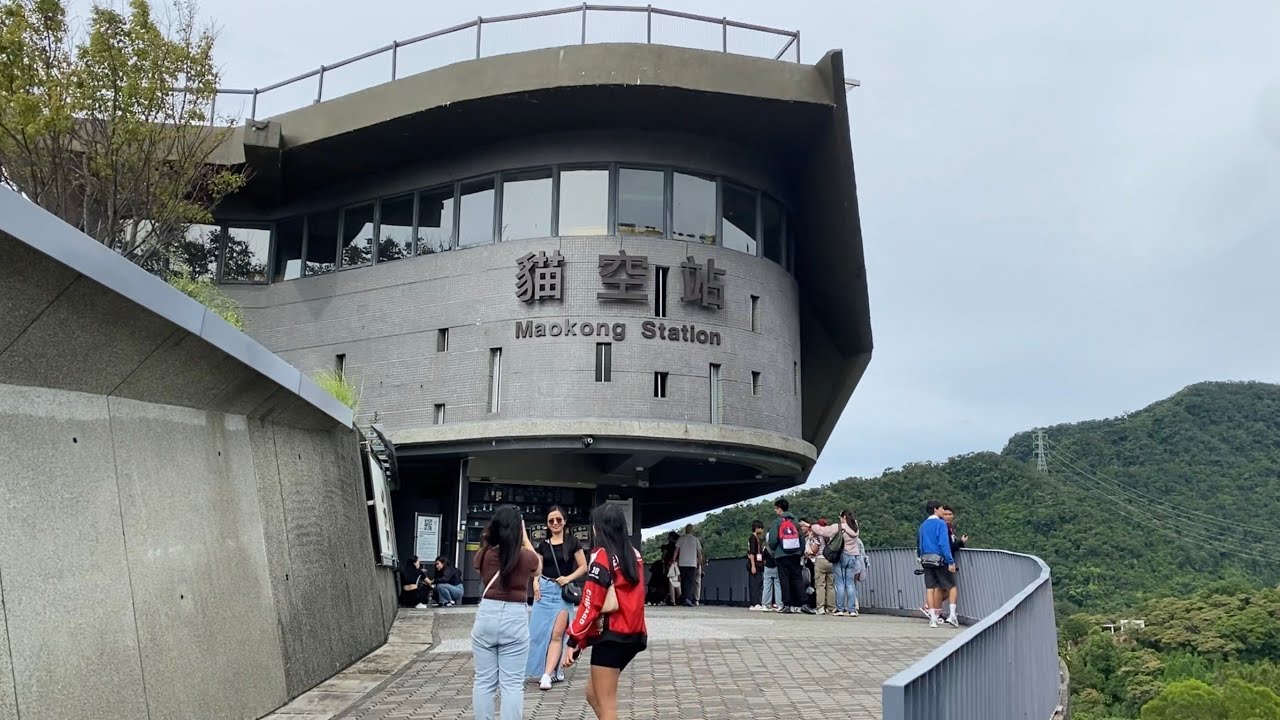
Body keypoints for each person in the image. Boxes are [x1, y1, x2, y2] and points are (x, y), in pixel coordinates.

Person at [563, 503, 648, 720]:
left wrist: (574, 640)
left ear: (599, 528)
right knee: (592, 693)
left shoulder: (601, 555)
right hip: (634, 634)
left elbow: (591, 602)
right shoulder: (634, 554)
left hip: (611, 637)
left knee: (607, 705)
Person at [471, 504, 541, 720]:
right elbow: (538, 568)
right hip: (514, 618)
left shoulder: (483, 555)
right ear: (518, 528)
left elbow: (478, 569)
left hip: (487, 616)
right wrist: (525, 537)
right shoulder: (525, 556)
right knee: (512, 684)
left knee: (483, 681)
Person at [529, 506, 588, 690]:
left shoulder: (573, 542)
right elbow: (537, 567)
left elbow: (583, 566)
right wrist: (535, 582)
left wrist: (568, 578)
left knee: (557, 634)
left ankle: (547, 675)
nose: (555, 523)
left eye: (558, 520)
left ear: (564, 521)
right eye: (551, 521)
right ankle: (549, 669)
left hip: (562, 592)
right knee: (538, 633)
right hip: (544, 590)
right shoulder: (543, 545)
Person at [807, 511, 861, 616]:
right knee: (850, 584)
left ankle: (840, 609)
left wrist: (811, 526)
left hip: (841, 555)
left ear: (844, 517)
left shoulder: (839, 527)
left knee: (840, 583)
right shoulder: (855, 528)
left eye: (840, 517)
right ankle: (852, 610)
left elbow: (823, 531)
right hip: (853, 556)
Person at [917, 500, 956, 629]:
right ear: (935, 509)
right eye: (941, 509)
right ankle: (952, 615)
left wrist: (920, 556)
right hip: (939, 559)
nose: (943, 511)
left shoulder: (923, 525)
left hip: (926, 559)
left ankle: (933, 618)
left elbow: (919, 543)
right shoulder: (940, 524)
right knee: (951, 586)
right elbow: (944, 544)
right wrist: (950, 561)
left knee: (930, 588)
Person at [769, 498, 812, 614]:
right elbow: (802, 538)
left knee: (784, 579)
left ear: (779, 509)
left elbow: (772, 540)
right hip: (795, 554)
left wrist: (774, 550)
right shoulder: (796, 522)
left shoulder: (777, 522)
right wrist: (800, 551)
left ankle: (787, 604)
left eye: (776, 508)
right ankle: (803, 603)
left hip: (781, 555)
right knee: (797, 578)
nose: (775, 511)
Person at [941, 505, 969, 625]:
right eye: (945, 514)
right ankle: (949, 614)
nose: (947, 516)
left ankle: (933, 608)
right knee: (950, 587)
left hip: (943, 560)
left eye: (949, 514)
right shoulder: (943, 528)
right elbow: (947, 546)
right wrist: (961, 542)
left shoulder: (949, 528)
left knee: (941, 587)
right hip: (945, 561)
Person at [804, 518, 835, 615]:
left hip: (820, 560)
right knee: (830, 586)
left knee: (820, 585)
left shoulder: (818, 536)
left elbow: (814, 550)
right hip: (831, 561)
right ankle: (831, 608)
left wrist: (808, 552)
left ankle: (820, 607)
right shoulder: (831, 536)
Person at [674, 524, 703, 607]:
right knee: (690, 582)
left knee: (683, 581)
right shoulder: (695, 540)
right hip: (692, 563)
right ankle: (688, 599)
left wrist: (673, 560)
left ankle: (684, 598)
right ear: (692, 530)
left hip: (682, 563)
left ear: (685, 529)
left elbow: (676, 550)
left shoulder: (681, 539)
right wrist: (699, 563)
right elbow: (699, 553)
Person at [760, 524, 780, 611]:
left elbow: (762, 559)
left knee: (767, 586)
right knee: (778, 586)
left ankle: (765, 604)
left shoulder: (765, 548)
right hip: (776, 568)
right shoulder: (777, 548)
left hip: (767, 568)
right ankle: (779, 604)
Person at [747, 520, 766, 610]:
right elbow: (751, 553)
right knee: (755, 584)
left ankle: (755, 602)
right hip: (754, 564)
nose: (762, 530)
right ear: (756, 528)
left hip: (759, 564)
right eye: (760, 528)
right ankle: (755, 603)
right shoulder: (752, 538)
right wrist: (753, 565)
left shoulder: (758, 539)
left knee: (758, 583)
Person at [660, 532, 680, 606]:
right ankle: (679, 597)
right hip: (679, 564)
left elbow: (664, 555)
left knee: (671, 581)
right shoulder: (679, 545)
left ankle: (674, 599)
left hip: (671, 564)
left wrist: (663, 559)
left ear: (671, 537)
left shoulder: (668, 546)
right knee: (677, 581)